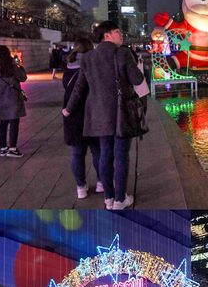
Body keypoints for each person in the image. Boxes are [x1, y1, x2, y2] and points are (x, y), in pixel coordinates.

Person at [62, 21, 147, 210]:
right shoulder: (123, 53)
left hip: (98, 114)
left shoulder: (88, 57)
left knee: (105, 155)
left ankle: (108, 198)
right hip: (121, 112)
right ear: (107, 35)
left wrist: (68, 109)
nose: (121, 35)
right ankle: (120, 199)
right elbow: (137, 80)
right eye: (118, 31)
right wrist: (138, 67)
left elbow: (79, 88)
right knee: (121, 156)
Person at [62, 39, 103, 200]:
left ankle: (81, 187)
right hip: (92, 112)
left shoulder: (68, 68)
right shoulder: (93, 67)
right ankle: (101, 182)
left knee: (77, 153)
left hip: (73, 115)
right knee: (97, 151)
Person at [0, 45, 28, 158]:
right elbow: (23, 77)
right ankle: (12, 148)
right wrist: (20, 67)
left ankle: (3, 148)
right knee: (14, 123)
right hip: (13, 98)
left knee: (3, 123)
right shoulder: (11, 66)